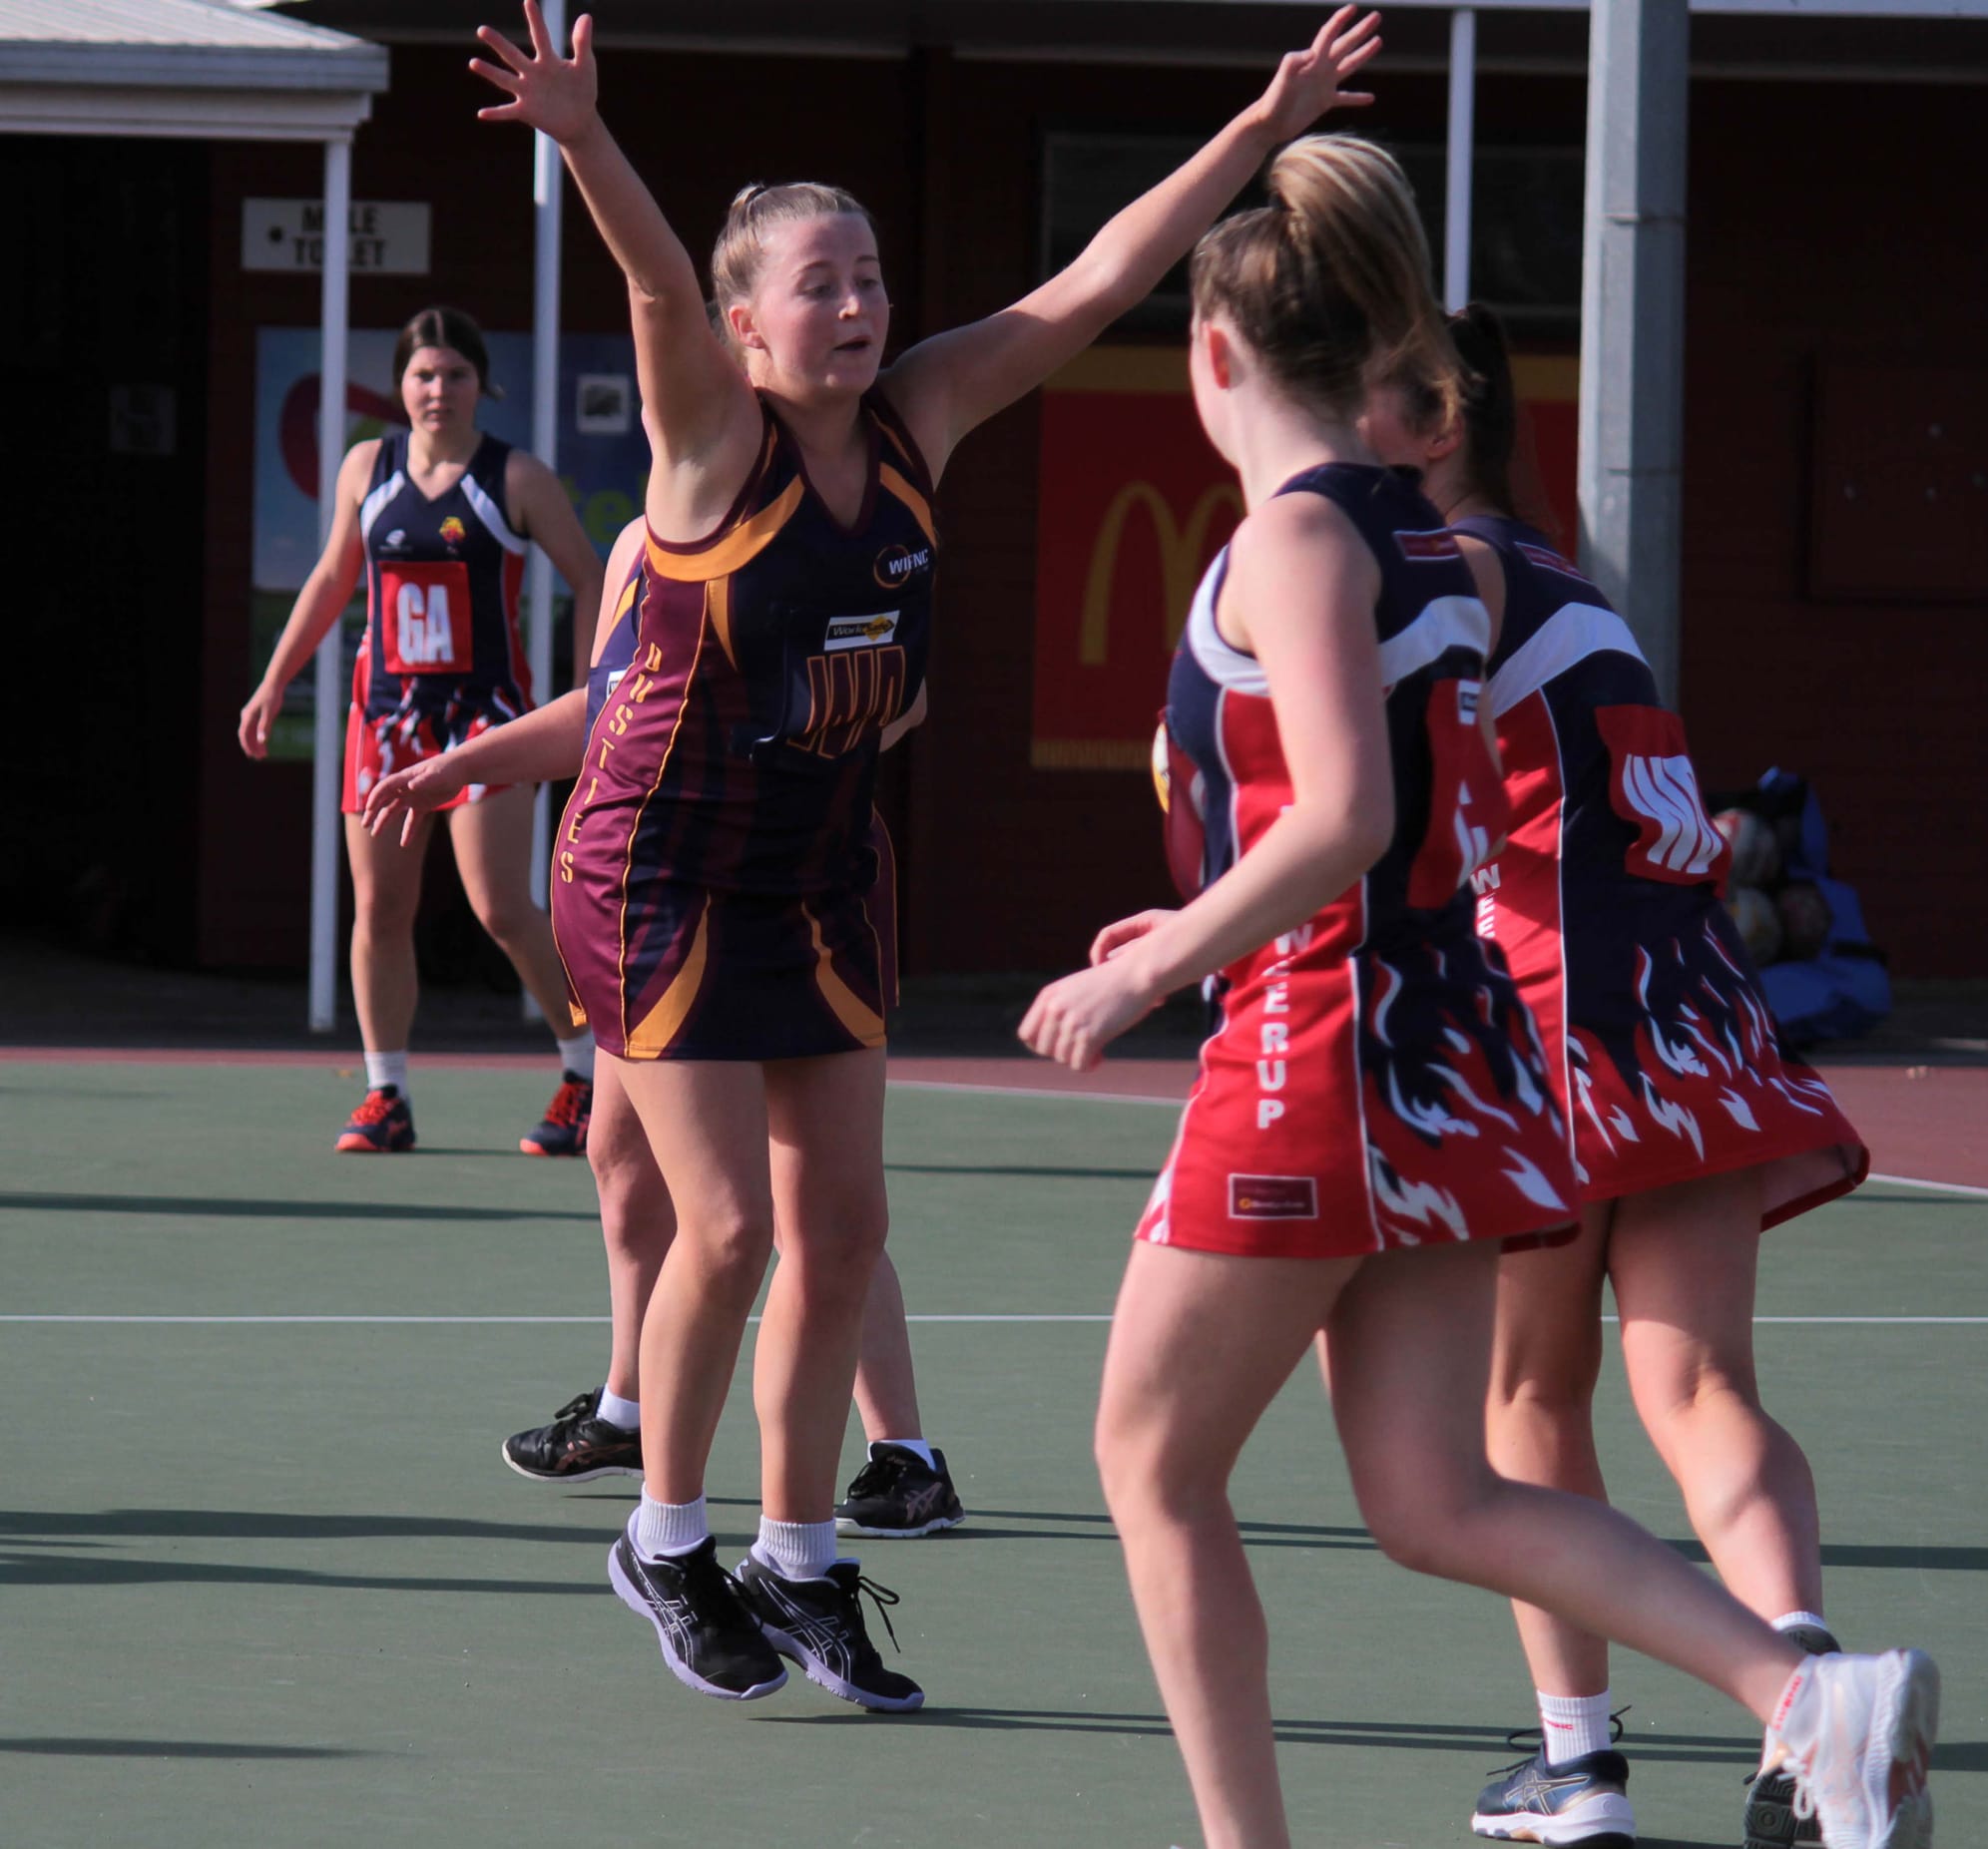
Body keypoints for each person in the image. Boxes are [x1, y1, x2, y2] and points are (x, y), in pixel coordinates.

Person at [467, 0, 1388, 1712]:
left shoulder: (920, 416)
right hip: (656, 872)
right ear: (748, 328)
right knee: (725, 1228)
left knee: (842, 1227)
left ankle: (801, 1561)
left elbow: (1099, 279)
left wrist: (1261, 127)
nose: (859, 305)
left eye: (871, 276)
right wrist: (585, 137)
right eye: (820, 285)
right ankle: (665, 1540)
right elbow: (662, 287)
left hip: (820, 868)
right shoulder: (707, 444)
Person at [1017, 133, 1936, 1849]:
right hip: (1446, 1064)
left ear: (1215, 355)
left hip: (1315, 1051)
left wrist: (1162, 953)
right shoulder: (1441, 549)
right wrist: (1187, 919)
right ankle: (1808, 1693)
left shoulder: (1293, 543)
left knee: (1152, 1469)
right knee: (1438, 1491)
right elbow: (1365, 816)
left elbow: (1353, 817)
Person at [1361, 303, 1871, 1849]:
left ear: (1437, 420)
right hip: (1689, 1005)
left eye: (1356, 405)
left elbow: (1379, 802)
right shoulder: (1583, 584)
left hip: (1555, 1008)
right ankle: (1817, 1703)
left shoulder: (1456, 574)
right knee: (1704, 1389)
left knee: (1530, 1396)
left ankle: (1579, 1765)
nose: (1327, 440)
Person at [364, 519, 963, 1538]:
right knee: (618, 1150)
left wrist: (766, 746)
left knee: (797, 1190)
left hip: (768, 885)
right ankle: (626, 1409)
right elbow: (604, 711)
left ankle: (902, 1454)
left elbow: (896, 697)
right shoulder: (643, 542)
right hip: (643, 893)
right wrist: (457, 765)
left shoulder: (816, 532)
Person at [239, 304, 606, 1157]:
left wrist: (593, 692)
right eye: (422, 375)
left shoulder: (515, 478)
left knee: (502, 906)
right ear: (401, 385)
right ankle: (386, 1092)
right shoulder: (368, 467)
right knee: (381, 904)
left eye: (455, 375)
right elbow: (333, 577)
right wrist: (274, 679)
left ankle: (588, 1073)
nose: (438, 390)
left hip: (486, 719)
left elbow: (590, 575)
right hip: (386, 715)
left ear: (482, 385)